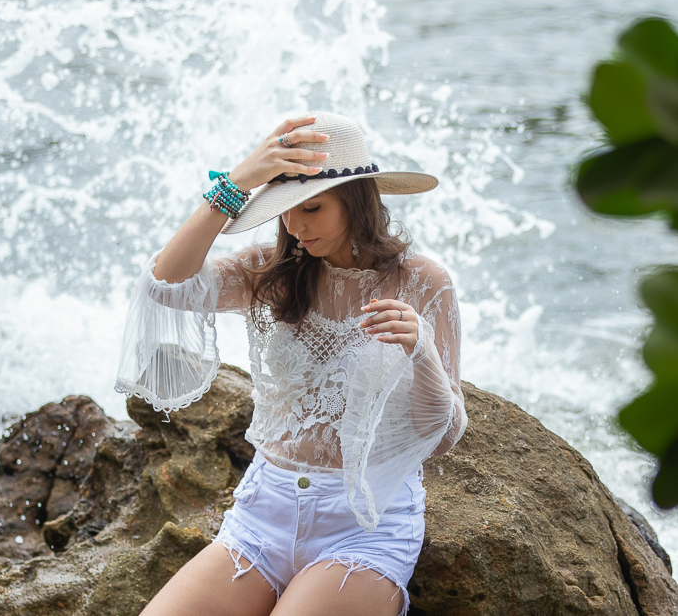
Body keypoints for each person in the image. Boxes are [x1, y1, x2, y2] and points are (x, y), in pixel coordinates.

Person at [115, 111, 467, 616]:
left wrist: (422, 349)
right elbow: (164, 285)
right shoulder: (272, 272)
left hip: (365, 524)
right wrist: (235, 184)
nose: (295, 226)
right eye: (283, 209)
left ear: (357, 200)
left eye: (312, 207)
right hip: (262, 514)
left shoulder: (423, 282)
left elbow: (444, 436)